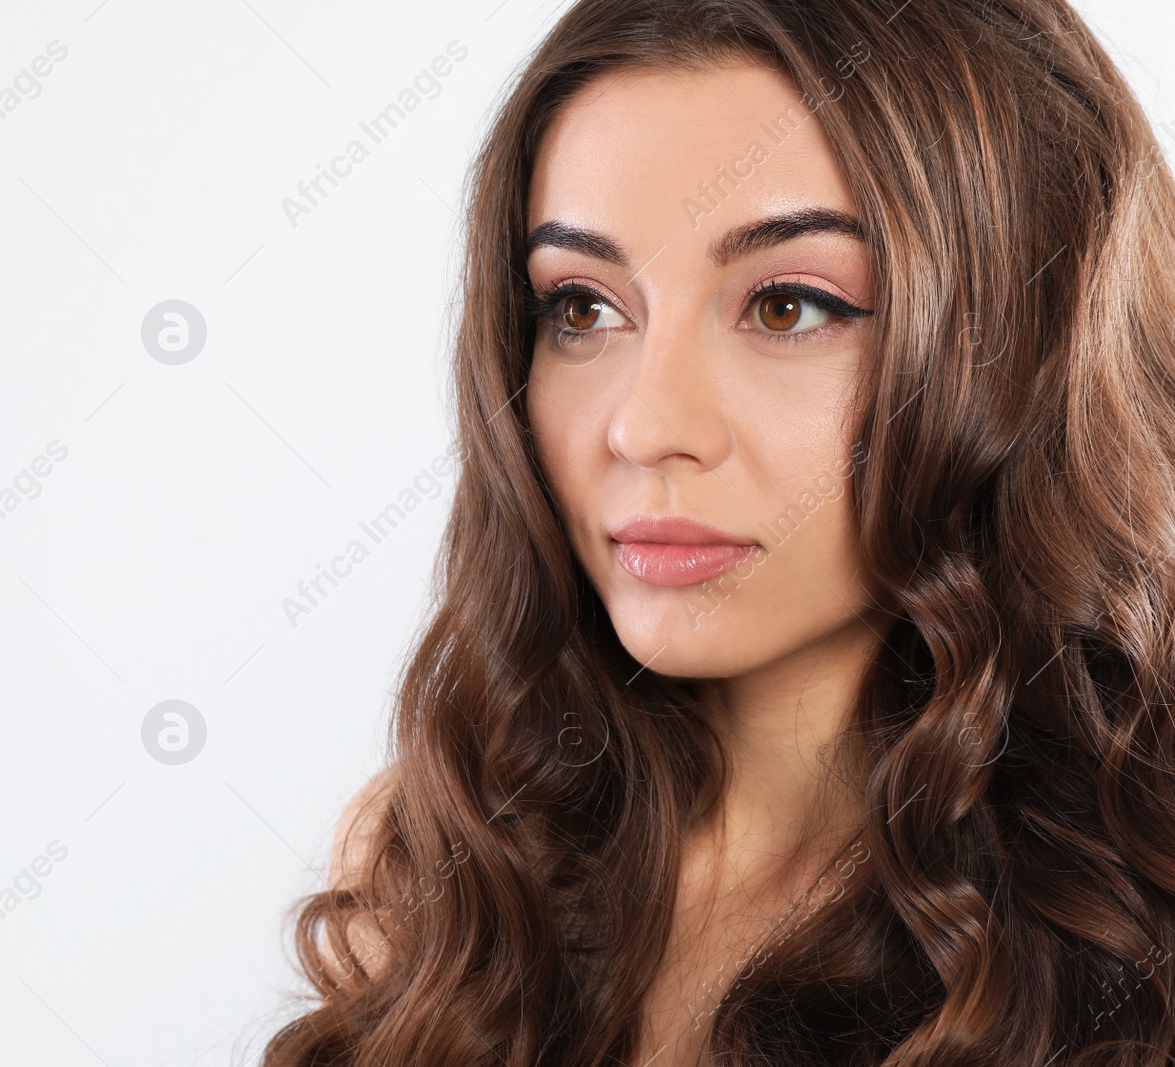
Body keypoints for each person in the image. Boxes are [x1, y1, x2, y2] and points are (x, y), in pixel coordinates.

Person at [262, 0, 1175, 1063]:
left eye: (786, 305)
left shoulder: (1131, 908)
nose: (645, 425)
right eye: (582, 308)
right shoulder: (446, 861)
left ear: (1033, 339)